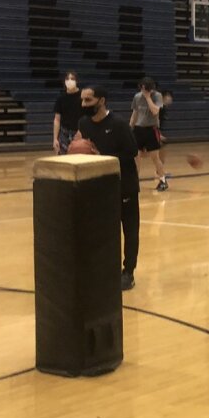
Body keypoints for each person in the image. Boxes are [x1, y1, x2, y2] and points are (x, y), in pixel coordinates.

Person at [76, 86, 141, 290]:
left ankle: (128, 272)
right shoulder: (84, 124)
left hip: (125, 185)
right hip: (101, 186)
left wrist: (102, 156)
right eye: (82, 100)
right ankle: (104, 268)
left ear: (101, 101)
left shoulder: (119, 124)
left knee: (129, 231)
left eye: (88, 100)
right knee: (102, 231)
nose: (84, 104)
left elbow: (131, 152)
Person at [130, 77, 165, 191]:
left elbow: (155, 111)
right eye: (142, 89)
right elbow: (135, 113)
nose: (143, 91)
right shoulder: (137, 96)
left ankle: (163, 180)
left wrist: (148, 97)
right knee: (136, 157)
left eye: (146, 89)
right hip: (138, 129)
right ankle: (134, 181)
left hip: (151, 129)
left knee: (155, 157)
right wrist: (130, 127)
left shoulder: (157, 96)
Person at [52, 71, 82, 154]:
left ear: (77, 81)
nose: (69, 81)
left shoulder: (83, 97)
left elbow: (88, 117)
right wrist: (55, 139)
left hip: (79, 133)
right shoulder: (61, 98)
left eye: (72, 79)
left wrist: (81, 131)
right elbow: (57, 120)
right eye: (67, 79)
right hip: (64, 133)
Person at [157, 90, 173, 181]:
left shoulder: (163, 108)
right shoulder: (160, 108)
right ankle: (160, 173)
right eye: (169, 96)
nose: (170, 98)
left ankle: (160, 172)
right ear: (163, 97)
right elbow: (154, 122)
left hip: (156, 132)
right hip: (152, 131)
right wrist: (159, 134)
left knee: (160, 153)